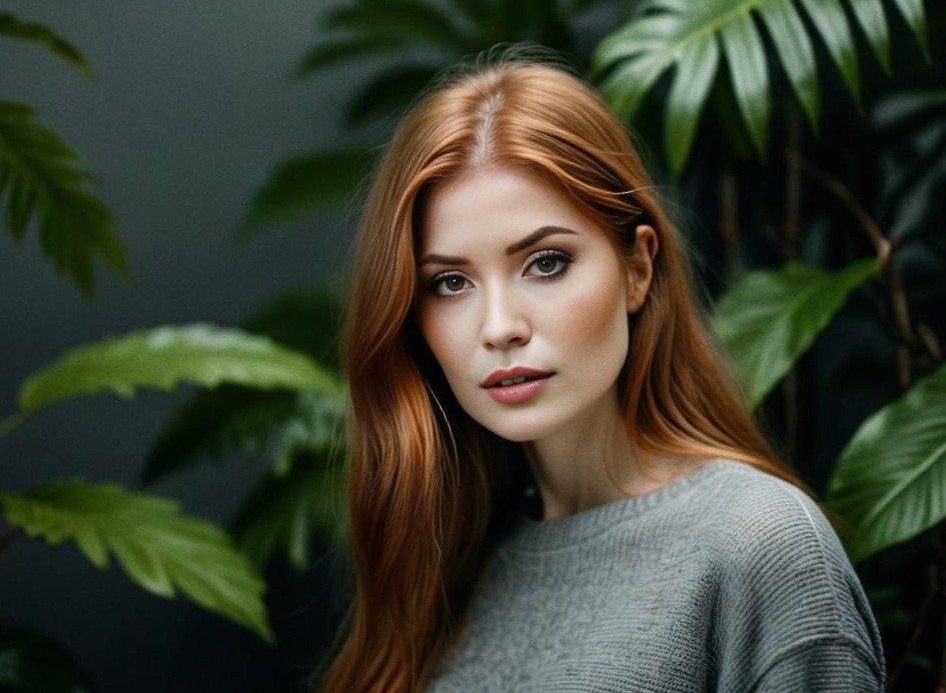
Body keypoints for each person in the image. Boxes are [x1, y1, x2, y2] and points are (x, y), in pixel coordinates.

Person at [315, 44, 887, 692]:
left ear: (638, 269)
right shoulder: (447, 572)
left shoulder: (760, 546)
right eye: (450, 283)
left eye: (547, 263)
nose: (500, 326)